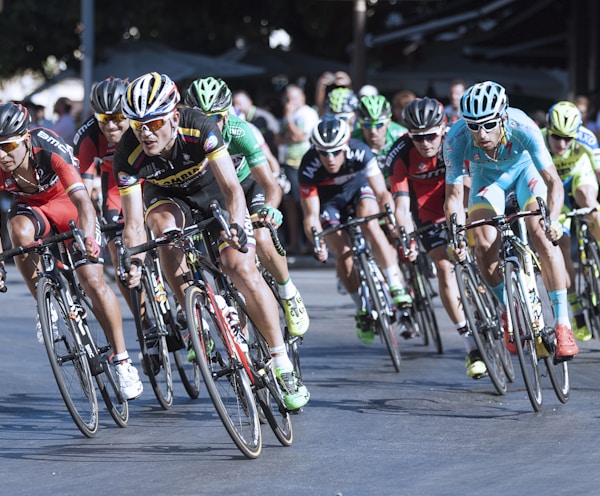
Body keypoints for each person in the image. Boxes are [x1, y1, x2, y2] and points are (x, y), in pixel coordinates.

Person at [114, 72, 309, 411]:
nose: (145, 133)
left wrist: (238, 226)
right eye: (137, 125)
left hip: (214, 191)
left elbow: (234, 190)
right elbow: (133, 224)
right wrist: (133, 261)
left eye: (154, 123)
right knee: (161, 230)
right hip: (169, 199)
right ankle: (194, 315)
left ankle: (281, 363)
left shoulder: (200, 126)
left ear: (174, 117)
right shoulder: (128, 154)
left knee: (240, 267)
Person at [0, 102, 143, 400]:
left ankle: (122, 360)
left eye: (9, 145)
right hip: (32, 207)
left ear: (25, 139)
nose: (2, 155)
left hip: (67, 203)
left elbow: (83, 204)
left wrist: (89, 240)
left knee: (92, 280)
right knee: (18, 231)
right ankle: (46, 304)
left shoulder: (49, 147)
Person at [444, 81, 579, 360]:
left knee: (541, 233)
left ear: (503, 117)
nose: (481, 134)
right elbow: (454, 197)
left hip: (524, 175)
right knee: (482, 242)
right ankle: (509, 310)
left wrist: (552, 220)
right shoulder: (455, 139)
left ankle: (564, 325)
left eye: (489, 124)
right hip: (487, 180)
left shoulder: (523, 125)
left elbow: (553, 182)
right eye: (473, 126)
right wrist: (456, 236)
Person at [184, 76, 310, 338]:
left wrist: (272, 209)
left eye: (216, 117)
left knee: (262, 235)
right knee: (228, 267)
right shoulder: (187, 139)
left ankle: (288, 293)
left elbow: (271, 185)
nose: (210, 125)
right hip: (217, 198)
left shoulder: (241, 131)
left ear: (227, 116)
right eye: (202, 118)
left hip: (249, 187)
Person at [387, 97, 485, 378]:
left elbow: (473, 182)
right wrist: (405, 235)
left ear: (443, 128)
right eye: (418, 138)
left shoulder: (457, 138)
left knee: (482, 229)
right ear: (409, 135)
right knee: (444, 268)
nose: (426, 143)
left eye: (431, 136)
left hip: (460, 196)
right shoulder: (400, 155)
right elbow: (401, 206)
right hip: (427, 212)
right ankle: (470, 346)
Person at [299, 116, 412, 344]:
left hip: (358, 191)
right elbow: (310, 215)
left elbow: (382, 193)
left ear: (346, 146)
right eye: (324, 153)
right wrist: (317, 242)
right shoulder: (308, 166)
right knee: (343, 253)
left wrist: (390, 216)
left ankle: (395, 284)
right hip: (329, 203)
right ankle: (361, 308)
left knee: (370, 222)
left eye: (335, 152)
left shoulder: (360, 151)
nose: (330, 159)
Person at [542, 101, 600, 342]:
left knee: (589, 202)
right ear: (548, 129)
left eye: (568, 138)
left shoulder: (587, 139)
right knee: (560, 243)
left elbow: (598, 173)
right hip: (553, 188)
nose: (562, 144)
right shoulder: (539, 140)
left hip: (578, 176)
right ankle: (574, 304)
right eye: (557, 137)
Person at [275, 84, 319, 254]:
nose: (288, 102)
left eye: (292, 98)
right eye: (286, 98)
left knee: (305, 205)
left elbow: (298, 136)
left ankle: (311, 243)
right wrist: (290, 136)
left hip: (302, 163)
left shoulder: (307, 114)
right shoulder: (289, 116)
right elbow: (279, 139)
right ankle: (294, 243)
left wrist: (288, 117)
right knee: (290, 205)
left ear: (302, 98)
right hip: (287, 163)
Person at [352, 95, 407, 182]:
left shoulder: (402, 136)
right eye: (367, 125)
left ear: (388, 122)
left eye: (379, 125)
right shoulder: (353, 139)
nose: (373, 131)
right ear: (361, 124)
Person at [232, 89, 281, 157]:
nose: (236, 107)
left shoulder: (264, 117)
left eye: (239, 104)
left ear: (250, 102)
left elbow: (277, 138)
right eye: (233, 104)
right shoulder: (238, 118)